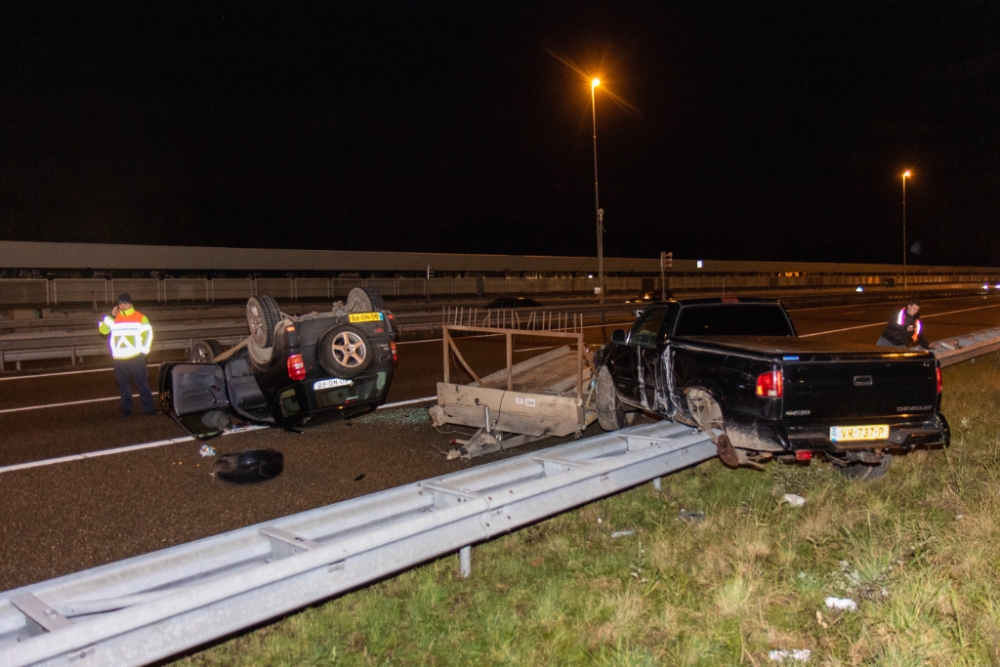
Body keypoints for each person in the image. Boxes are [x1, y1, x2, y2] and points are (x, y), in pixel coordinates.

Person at [98, 293, 156, 416]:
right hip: (119, 358)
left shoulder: (140, 317)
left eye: (125, 303)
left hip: (136, 357)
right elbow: (102, 330)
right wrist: (111, 316)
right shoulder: (114, 318)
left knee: (142, 384)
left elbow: (148, 335)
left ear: (130, 304)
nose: (123, 306)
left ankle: (149, 408)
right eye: (120, 303)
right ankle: (126, 408)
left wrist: (143, 352)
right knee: (123, 386)